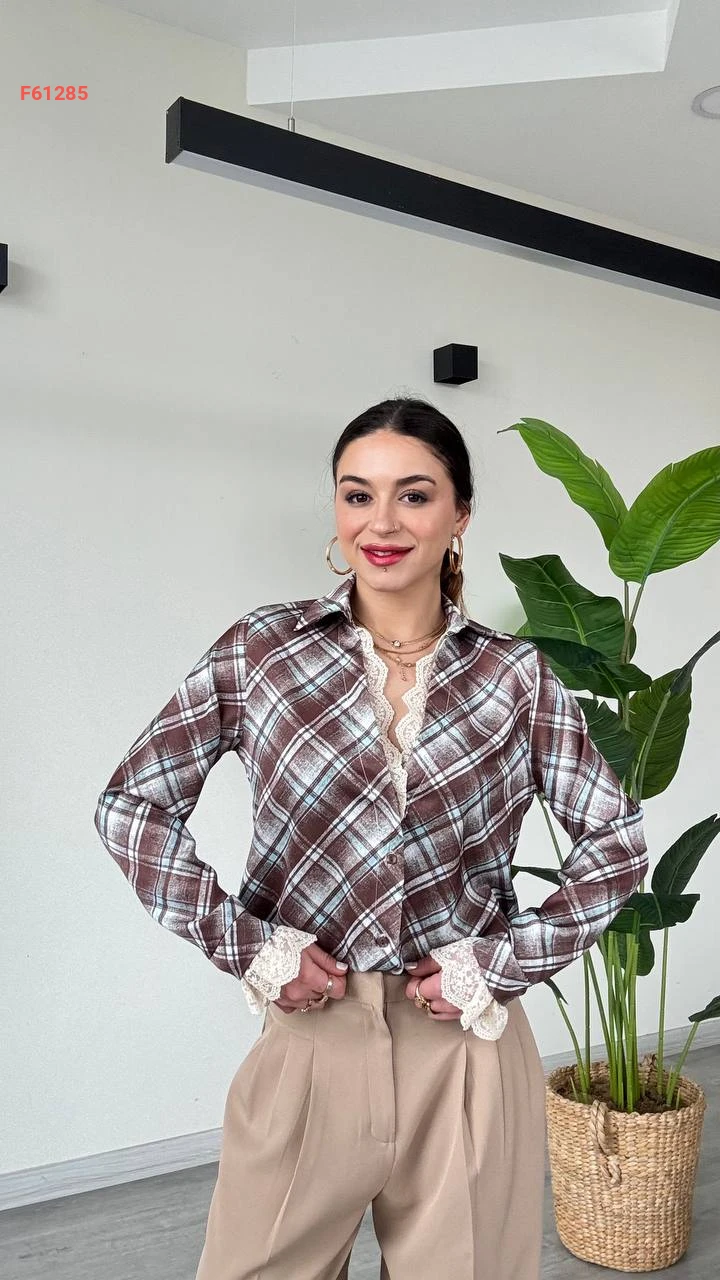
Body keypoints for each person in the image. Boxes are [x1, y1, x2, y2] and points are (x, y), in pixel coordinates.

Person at [94, 397, 648, 1280]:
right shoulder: (263, 651)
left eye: (414, 496)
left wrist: (501, 964)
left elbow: (614, 840)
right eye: (358, 495)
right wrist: (249, 946)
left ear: (460, 516)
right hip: (312, 1039)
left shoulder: (515, 676)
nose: (381, 523)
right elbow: (133, 805)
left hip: (466, 1050)